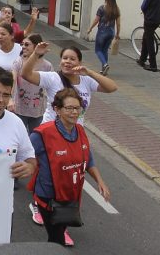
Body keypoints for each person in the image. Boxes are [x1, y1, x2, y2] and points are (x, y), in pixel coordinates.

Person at [28, 88, 111, 247]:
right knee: (56, 239)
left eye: (77, 108)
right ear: (57, 110)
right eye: (69, 108)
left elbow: (89, 159)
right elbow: (26, 156)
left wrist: (101, 182)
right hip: (48, 196)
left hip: (71, 194)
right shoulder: (42, 134)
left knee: (59, 234)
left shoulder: (79, 130)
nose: (74, 112)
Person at [22, 44, 118, 126]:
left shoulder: (86, 80)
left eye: (72, 59)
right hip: (51, 131)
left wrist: (89, 72)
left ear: (79, 63)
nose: (67, 61)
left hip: (75, 134)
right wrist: (36, 54)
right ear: (60, 62)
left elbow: (112, 87)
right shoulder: (52, 78)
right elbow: (26, 74)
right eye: (65, 58)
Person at [9, 34, 52, 133]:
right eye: (22, 44)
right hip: (19, 109)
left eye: (27, 44)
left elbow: (50, 86)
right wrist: (10, 99)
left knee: (35, 137)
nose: (23, 47)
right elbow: (12, 81)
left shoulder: (47, 66)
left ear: (36, 46)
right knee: (20, 136)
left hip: (38, 110)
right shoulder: (18, 62)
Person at [87, 0, 121, 76]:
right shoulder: (116, 9)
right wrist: (117, 34)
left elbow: (96, 20)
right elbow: (118, 23)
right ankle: (103, 69)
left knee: (98, 50)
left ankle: (105, 65)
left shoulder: (102, 8)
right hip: (111, 32)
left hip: (102, 32)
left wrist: (90, 28)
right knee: (105, 50)